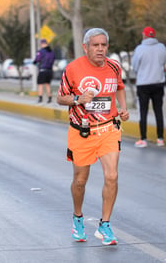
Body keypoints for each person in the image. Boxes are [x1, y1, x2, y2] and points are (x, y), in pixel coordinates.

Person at [56, 28, 129, 245]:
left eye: (104, 45)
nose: (100, 49)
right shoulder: (73, 68)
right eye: (95, 45)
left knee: (112, 176)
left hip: (108, 128)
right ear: (85, 47)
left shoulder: (114, 66)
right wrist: (78, 98)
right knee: (80, 181)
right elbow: (60, 98)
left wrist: (123, 108)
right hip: (82, 131)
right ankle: (78, 218)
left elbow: (120, 88)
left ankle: (104, 225)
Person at [132, 26, 166, 148]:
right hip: (158, 83)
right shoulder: (162, 47)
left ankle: (143, 139)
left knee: (143, 112)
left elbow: (135, 66)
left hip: (143, 84)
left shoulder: (140, 49)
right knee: (158, 111)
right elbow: (164, 62)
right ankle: (160, 139)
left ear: (144, 35)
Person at [33, 39, 55, 103]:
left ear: (42, 44)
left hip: (42, 70)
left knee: (40, 84)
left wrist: (36, 64)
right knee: (47, 84)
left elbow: (36, 60)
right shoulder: (52, 52)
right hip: (49, 70)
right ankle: (49, 97)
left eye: (41, 44)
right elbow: (53, 60)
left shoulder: (41, 51)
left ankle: (40, 98)